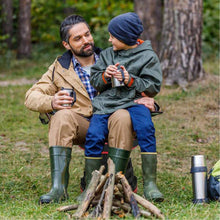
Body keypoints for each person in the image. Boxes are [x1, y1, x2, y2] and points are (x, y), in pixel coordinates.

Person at [24, 14, 158, 204]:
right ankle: (58, 188)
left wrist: (149, 100)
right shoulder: (60, 68)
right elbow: (31, 96)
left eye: (87, 34)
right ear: (66, 45)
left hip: (116, 124)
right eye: (78, 38)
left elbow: (145, 82)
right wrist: (52, 101)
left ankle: (117, 183)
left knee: (121, 115)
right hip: (85, 126)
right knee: (61, 116)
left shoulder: (113, 55)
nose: (86, 41)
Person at [84, 12, 164, 202]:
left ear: (126, 37)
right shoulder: (107, 54)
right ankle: (90, 186)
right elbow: (95, 80)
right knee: (94, 134)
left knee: (146, 128)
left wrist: (130, 80)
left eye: (113, 36)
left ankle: (151, 184)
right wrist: (105, 75)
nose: (109, 39)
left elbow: (153, 86)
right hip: (107, 103)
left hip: (134, 101)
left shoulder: (147, 56)